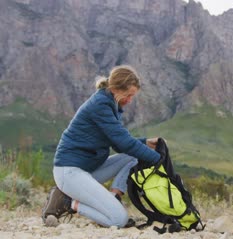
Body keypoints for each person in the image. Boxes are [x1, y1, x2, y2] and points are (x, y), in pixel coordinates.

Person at [42, 65, 161, 228]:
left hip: (88, 169)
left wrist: (146, 143)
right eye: (128, 95)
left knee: (134, 157)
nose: (130, 100)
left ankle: (114, 197)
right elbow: (123, 142)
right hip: (69, 172)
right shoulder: (100, 105)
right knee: (118, 220)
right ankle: (70, 202)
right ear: (115, 89)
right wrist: (159, 159)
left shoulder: (111, 104)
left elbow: (119, 144)